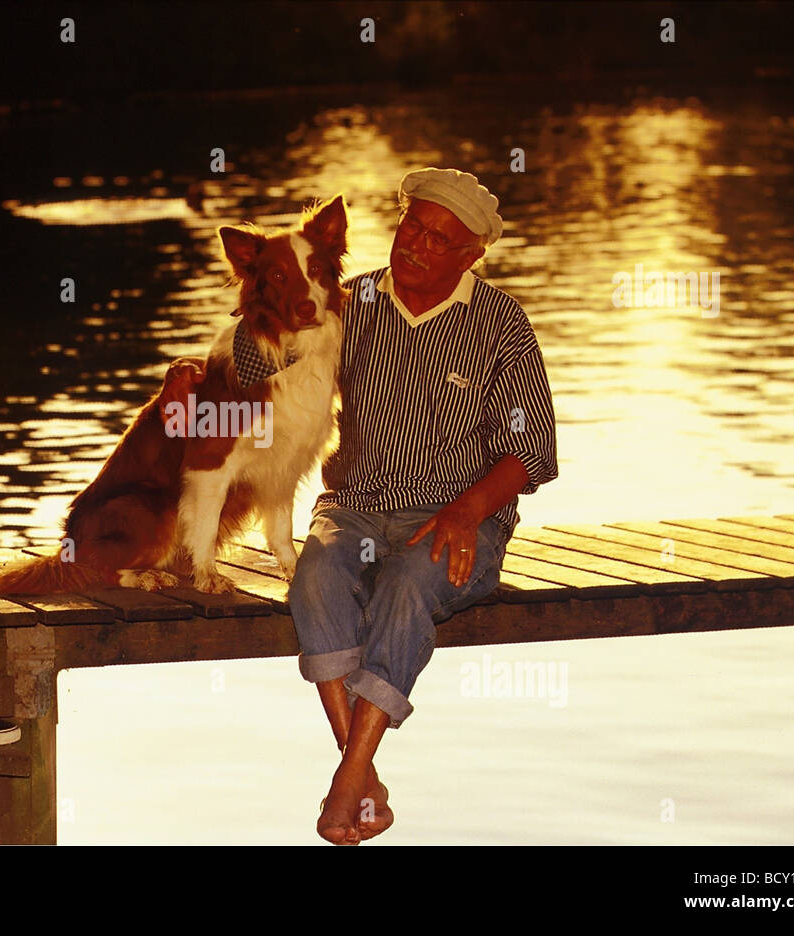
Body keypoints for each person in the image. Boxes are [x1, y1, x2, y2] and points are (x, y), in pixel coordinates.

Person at [159, 168, 559, 844]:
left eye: (441, 240)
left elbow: (534, 448)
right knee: (313, 579)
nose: (418, 247)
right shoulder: (351, 300)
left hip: (457, 518)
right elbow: (256, 360)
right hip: (353, 509)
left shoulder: (501, 323)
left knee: (406, 584)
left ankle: (347, 781)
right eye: (412, 227)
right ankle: (361, 773)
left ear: (472, 254)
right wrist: (196, 369)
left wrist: (466, 512)